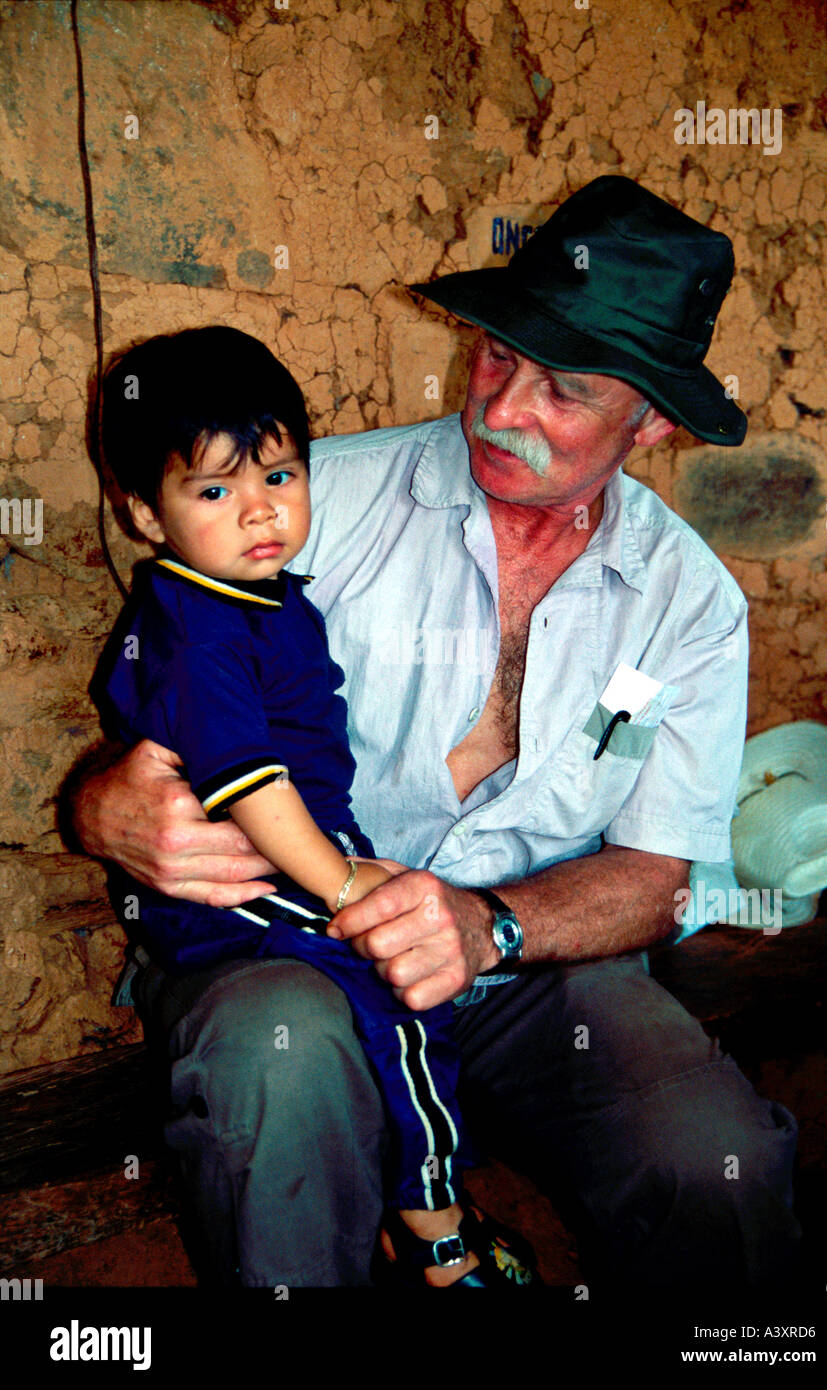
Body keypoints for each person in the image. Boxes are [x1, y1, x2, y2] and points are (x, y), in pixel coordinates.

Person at [73, 175, 801, 1293]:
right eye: (497, 355)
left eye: (563, 389)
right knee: (282, 1072)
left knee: (720, 1167)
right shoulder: (323, 505)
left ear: (650, 419)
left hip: (535, 966)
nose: (501, 407)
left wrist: (488, 928)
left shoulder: (688, 605)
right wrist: (102, 804)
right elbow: (170, 677)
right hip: (288, 949)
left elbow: (660, 876)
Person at [90, 325, 538, 1288]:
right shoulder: (198, 628)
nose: (261, 513)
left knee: (401, 970)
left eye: (281, 478)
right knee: (400, 984)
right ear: (143, 513)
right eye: (214, 492)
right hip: (238, 876)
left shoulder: (261, 597)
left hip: (283, 861)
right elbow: (250, 785)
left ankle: (407, 1212)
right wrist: (343, 882)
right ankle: (435, 1232)